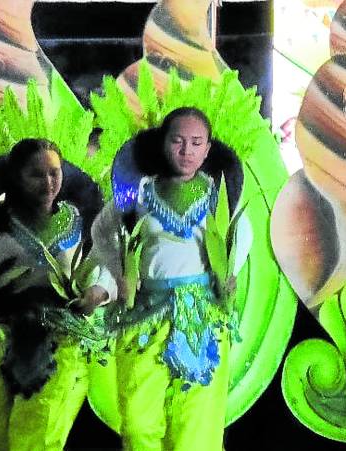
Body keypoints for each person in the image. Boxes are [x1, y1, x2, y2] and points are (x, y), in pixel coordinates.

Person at [0, 138, 107, 450]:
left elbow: (111, 256)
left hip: (58, 338)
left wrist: (98, 292)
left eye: (54, 173)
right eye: (36, 175)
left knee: (39, 431)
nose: (48, 183)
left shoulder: (78, 217)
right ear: (16, 176)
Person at [91, 107, 251, 450]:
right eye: (178, 141)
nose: (186, 151)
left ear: (208, 150)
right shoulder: (139, 193)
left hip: (200, 319)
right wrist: (120, 277)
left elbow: (242, 234)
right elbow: (102, 231)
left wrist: (228, 273)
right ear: (163, 143)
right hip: (145, 316)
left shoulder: (217, 196)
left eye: (196, 143)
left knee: (195, 427)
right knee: (137, 421)